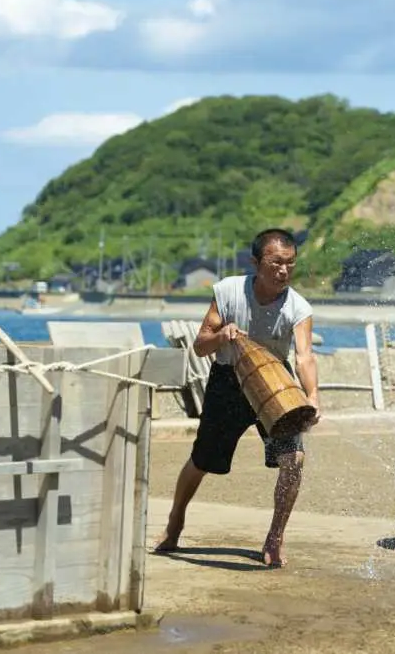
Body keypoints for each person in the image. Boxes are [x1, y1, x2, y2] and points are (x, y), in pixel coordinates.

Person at [154, 228, 319, 568]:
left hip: (275, 384)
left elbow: (304, 357)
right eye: (275, 263)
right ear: (256, 262)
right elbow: (200, 346)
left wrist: (313, 396)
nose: (284, 271)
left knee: (294, 460)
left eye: (290, 264)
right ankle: (174, 523)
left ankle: (275, 536)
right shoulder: (229, 291)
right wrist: (222, 335)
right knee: (201, 461)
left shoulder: (298, 307)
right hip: (228, 381)